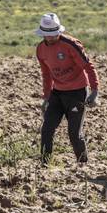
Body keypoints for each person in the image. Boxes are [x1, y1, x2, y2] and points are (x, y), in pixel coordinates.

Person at [35, 13, 99, 165]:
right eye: (47, 35)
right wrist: (46, 98)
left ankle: (83, 165)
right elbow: (46, 75)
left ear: (59, 32)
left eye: (53, 34)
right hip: (57, 94)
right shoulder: (40, 50)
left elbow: (88, 67)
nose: (50, 38)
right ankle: (44, 166)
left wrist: (95, 91)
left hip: (77, 92)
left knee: (74, 133)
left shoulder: (71, 45)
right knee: (47, 129)